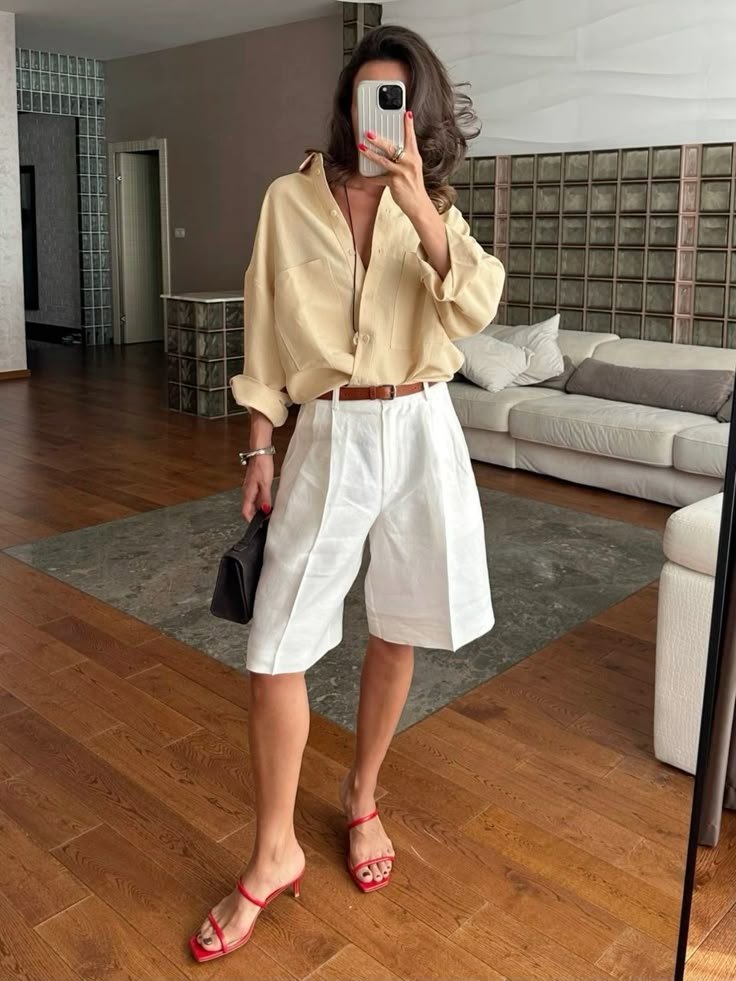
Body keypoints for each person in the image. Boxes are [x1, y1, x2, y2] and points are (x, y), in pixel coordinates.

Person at [190, 23, 505, 963]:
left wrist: (421, 211)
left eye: (397, 99)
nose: (381, 114)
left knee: (397, 626)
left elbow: (477, 305)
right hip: (328, 429)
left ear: (418, 114)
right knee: (275, 643)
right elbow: (264, 332)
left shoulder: (433, 205)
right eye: (369, 94)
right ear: (347, 104)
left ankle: (362, 795)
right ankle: (274, 849)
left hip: (421, 427)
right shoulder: (287, 201)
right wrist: (259, 445)